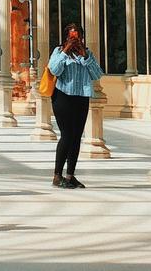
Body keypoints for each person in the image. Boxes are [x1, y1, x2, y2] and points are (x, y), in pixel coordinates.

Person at [47, 22, 104, 189]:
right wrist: (65, 52)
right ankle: (57, 176)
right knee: (67, 135)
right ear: (66, 37)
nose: (75, 39)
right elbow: (54, 70)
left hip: (81, 97)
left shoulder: (87, 54)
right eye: (72, 36)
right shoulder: (58, 52)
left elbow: (97, 74)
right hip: (62, 97)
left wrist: (85, 56)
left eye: (78, 36)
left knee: (77, 136)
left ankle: (70, 175)